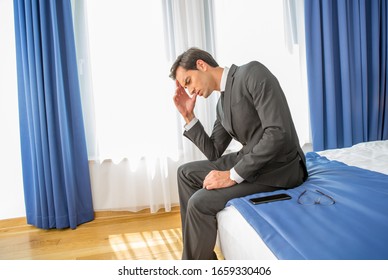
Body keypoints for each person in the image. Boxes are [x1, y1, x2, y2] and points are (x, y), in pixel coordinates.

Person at [170, 47, 308, 260]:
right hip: (251, 159)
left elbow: (278, 133)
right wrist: (189, 116)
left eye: (188, 81)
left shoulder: (252, 73)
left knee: (199, 202)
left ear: (201, 65)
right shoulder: (221, 106)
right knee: (184, 173)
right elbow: (214, 151)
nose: (190, 91)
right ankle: (201, 259)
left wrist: (232, 175)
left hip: (280, 166)